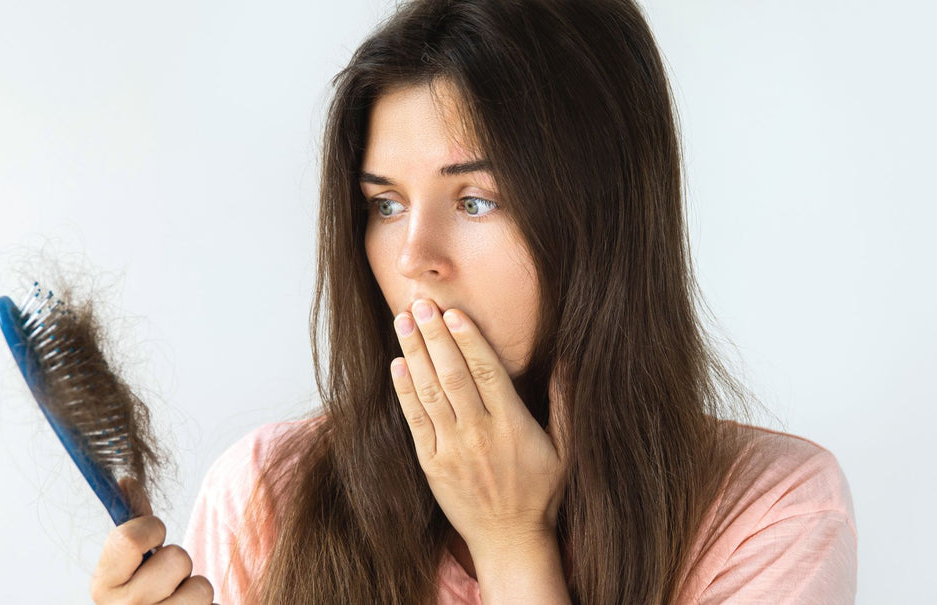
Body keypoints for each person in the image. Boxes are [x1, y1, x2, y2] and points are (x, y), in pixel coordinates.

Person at [89, 0, 857, 603]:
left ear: (602, 218)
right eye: (385, 204)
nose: (414, 257)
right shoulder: (265, 494)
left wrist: (511, 543)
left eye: (477, 200)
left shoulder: (772, 512)